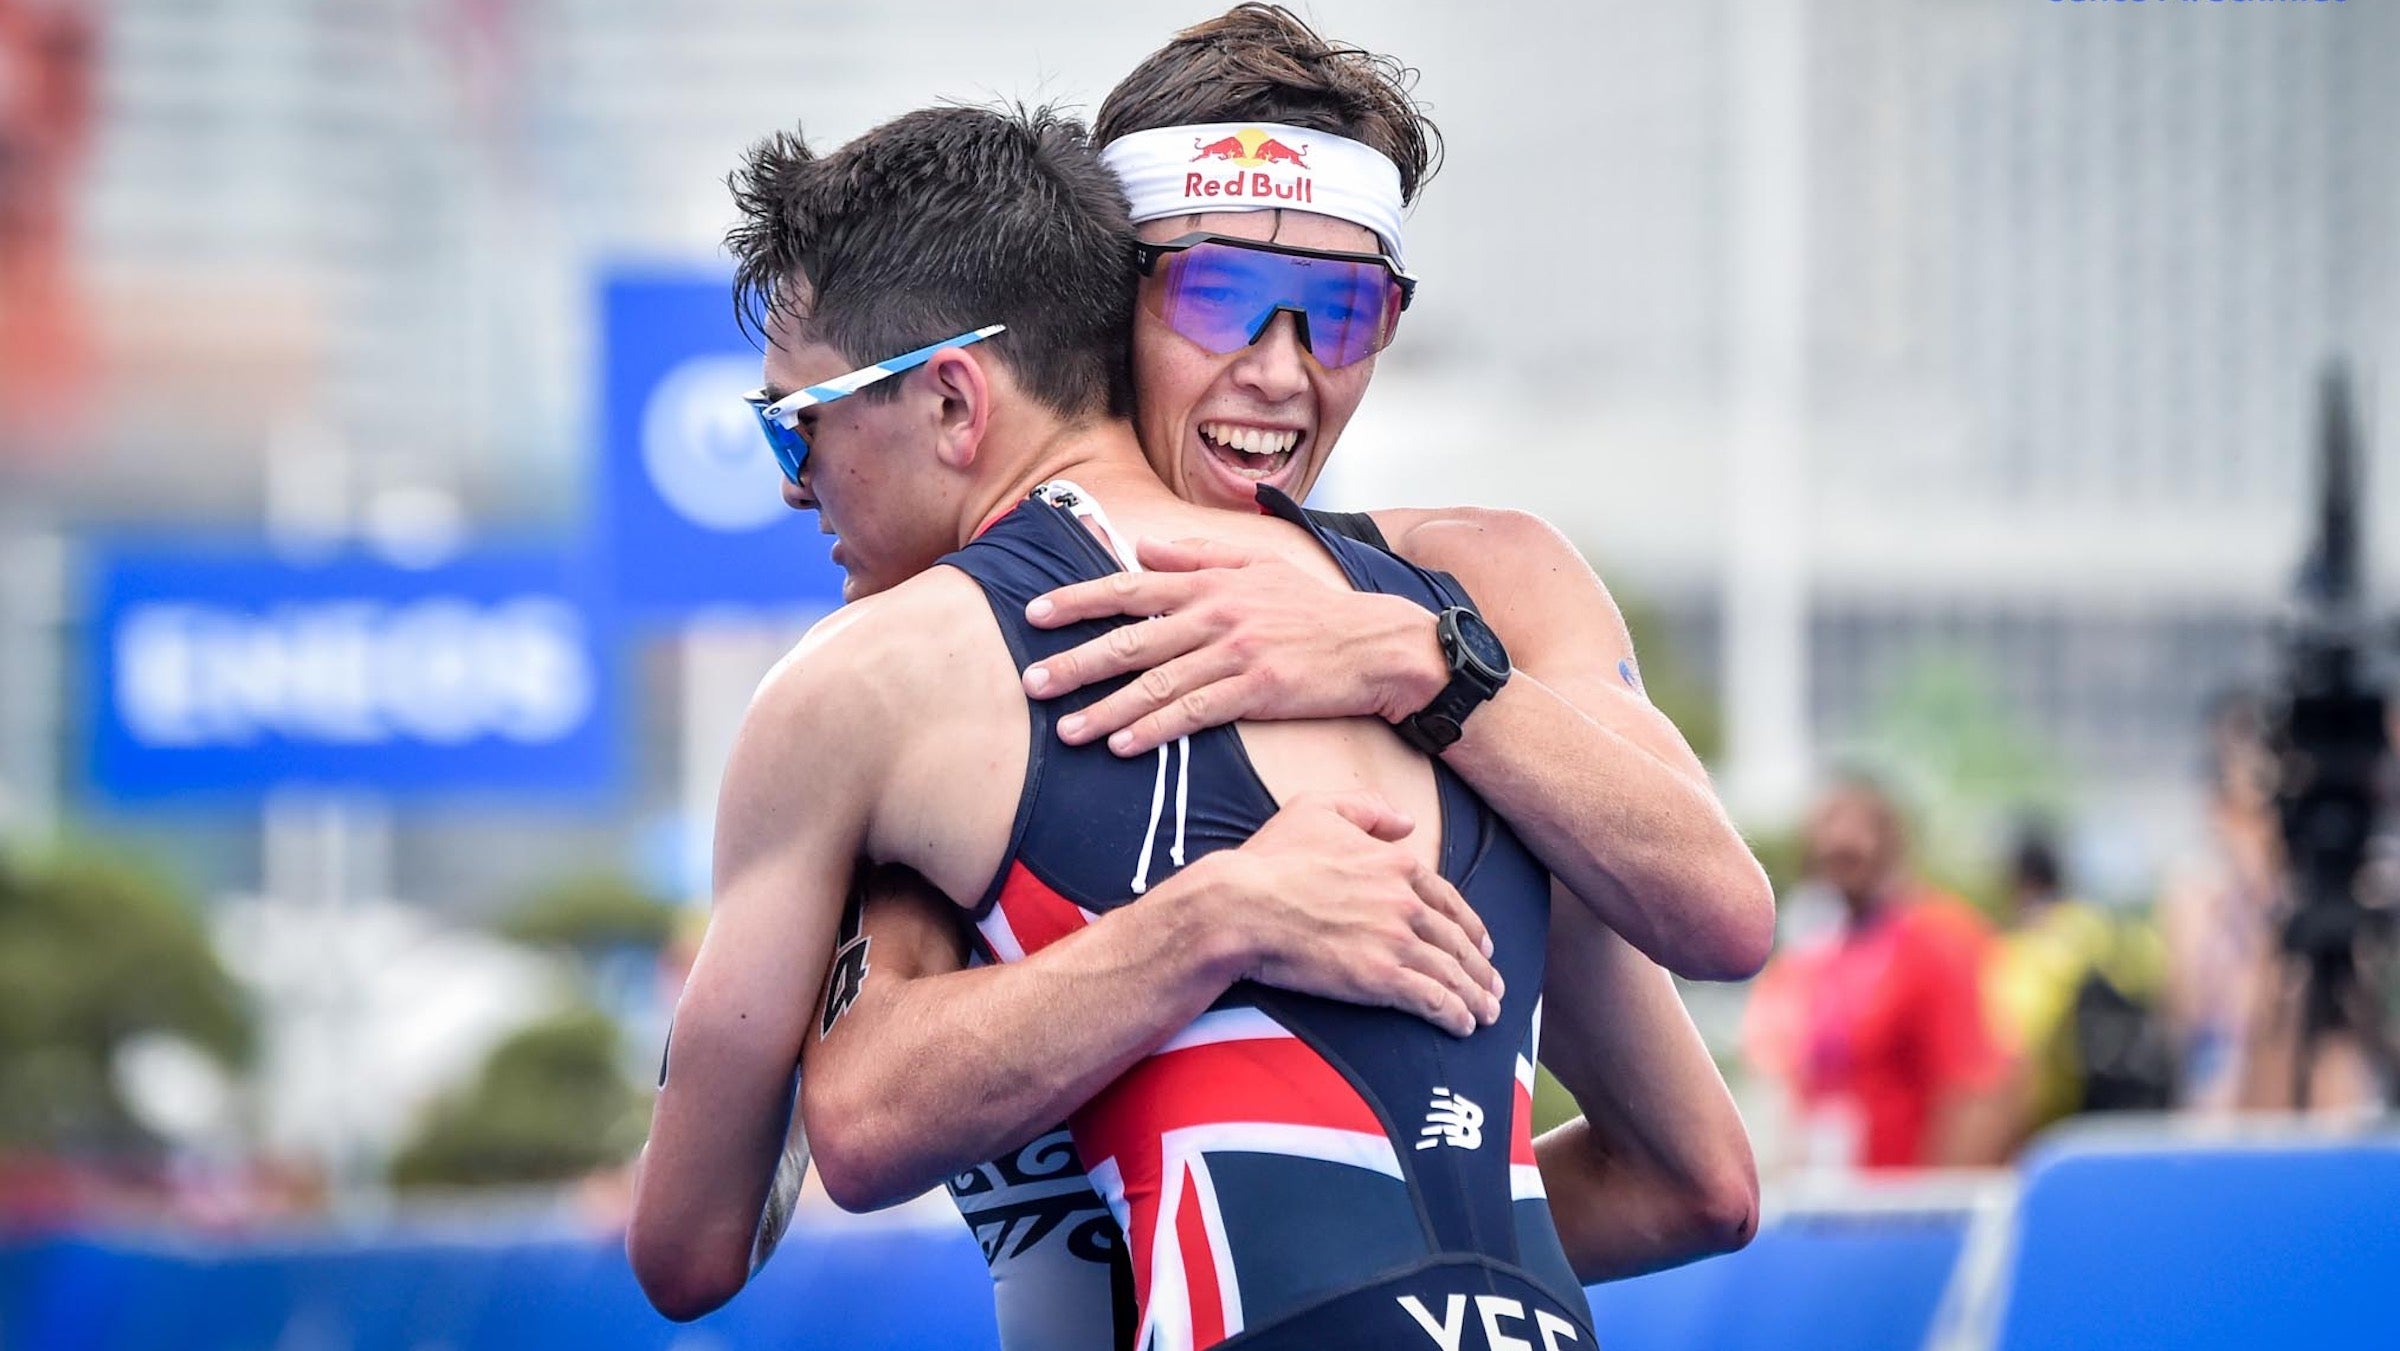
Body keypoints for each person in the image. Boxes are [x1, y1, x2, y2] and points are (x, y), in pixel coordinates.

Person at [794, 9, 1772, 1344]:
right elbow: (857, 1127)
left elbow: (1719, 953)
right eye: (1214, 297)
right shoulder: (973, 632)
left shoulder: (1475, 588)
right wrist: (1219, 924)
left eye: (1344, 311)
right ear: (1102, 298)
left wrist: (1421, 666)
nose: (1280, 370)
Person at [627, 102, 1636, 1349]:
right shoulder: (1428, 615)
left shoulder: (866, 684)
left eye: (802, 418)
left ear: (953, 400)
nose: (792, 478)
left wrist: (1199, 924)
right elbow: (1706, 1176)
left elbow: (687, 1243)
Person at [1744, 777, 2015, 1171]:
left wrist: (1938, 1211)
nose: (1838, 845)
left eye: (1857, 837)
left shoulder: (1940, 940)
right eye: (1827, 838)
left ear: (1891, 843)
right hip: (1836, 1203)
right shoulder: (1819, 953)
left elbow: (1981, 1092)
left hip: (1910, 1207)